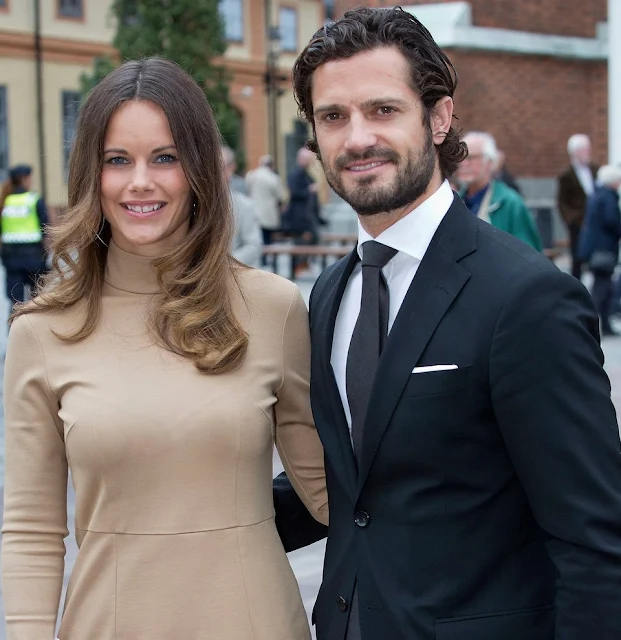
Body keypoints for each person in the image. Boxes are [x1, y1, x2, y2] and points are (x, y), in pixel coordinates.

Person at [274, 7, 621, 640]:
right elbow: (350, 485)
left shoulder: (526, 298)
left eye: (383, 110)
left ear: (438, 118)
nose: (356, 139)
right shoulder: (329, 294)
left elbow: (595, 540)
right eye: (333, 116)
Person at [1, 57, 328, 640]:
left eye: (166, 158)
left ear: (200, 169)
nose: (140, 182)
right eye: (117, 160)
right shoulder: (40, 333)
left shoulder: (273, 308)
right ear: (90, 174)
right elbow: (29, 529)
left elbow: (332, 493)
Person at [456, 131, 542, 250]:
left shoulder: (510, 203)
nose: (463, 164)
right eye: (460, 157)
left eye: (470, 158)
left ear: (489, 162)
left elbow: (528, 255)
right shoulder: (454, 201)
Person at [578, 164, 621, 336]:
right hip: (604, 249)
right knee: (601, 288)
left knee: (603, 286)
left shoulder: (597, 194)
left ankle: (603, 323)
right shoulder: (608, 197)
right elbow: (611, 220)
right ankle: (591, 323)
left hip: (595, 249)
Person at [0, 164, 49, 312]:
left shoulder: (4, 201)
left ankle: (15, 331)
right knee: (37, 299)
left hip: (11, 258)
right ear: (25, 179)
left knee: (15, 302)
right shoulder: (33, 200)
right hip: (33, 256)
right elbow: (45, 226)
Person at [558, 133, 599, 279]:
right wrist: (571, 220)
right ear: (574, 153)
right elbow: (562, 202)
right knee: (577, 258)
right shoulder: (567, 175)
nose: (587, 152)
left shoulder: (595, 170)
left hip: (595, 221)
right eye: (584, 149)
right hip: (578, 223)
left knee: (597, 258)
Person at [222, 145, 263, 267]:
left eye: (220, 167)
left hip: (233, 275)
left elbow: (253, 246)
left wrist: (223, 265)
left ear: (231, 168)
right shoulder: (193, 204)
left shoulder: (244, 205)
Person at [246, 154, 285, 248]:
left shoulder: (252, 175)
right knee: (268, 239)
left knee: (258, 238)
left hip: (255, 210)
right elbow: (280, 195)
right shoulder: (273, 177)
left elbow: (248, 190)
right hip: (269, 212)